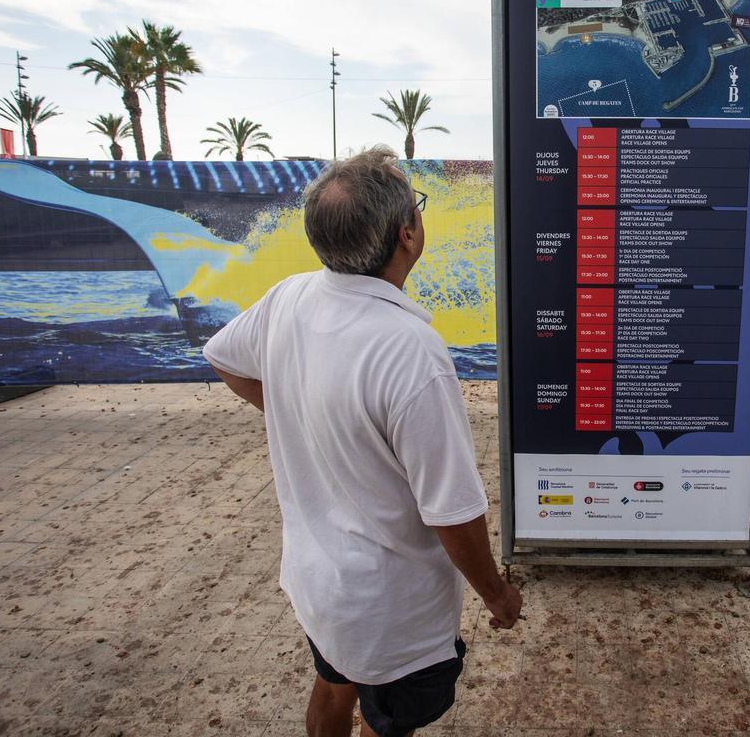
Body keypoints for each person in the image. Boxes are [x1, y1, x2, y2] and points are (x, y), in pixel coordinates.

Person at [203, 147, 522, 737]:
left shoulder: (289, 298)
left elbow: (222, 356)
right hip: (390, 614)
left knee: (332, 684)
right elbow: (451, 512)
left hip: (320, 588)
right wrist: (496, 594)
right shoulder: (411, 352)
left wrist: (304, 412)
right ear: (408, 233)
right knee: (386, 722)